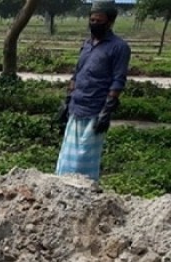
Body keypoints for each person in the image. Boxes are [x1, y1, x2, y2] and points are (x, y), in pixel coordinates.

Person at [56, 0, 130, 182]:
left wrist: (107, 110)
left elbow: (118, 81)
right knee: (67, 157)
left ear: (110, 22)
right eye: (92, 20)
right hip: (76, 106)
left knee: (84, 158)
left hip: (95, 112)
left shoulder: (119, 47)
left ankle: (85, 192)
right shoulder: (87, 45)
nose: (95, 23)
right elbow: (77, 72)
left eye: (99, 20)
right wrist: (67, 100)